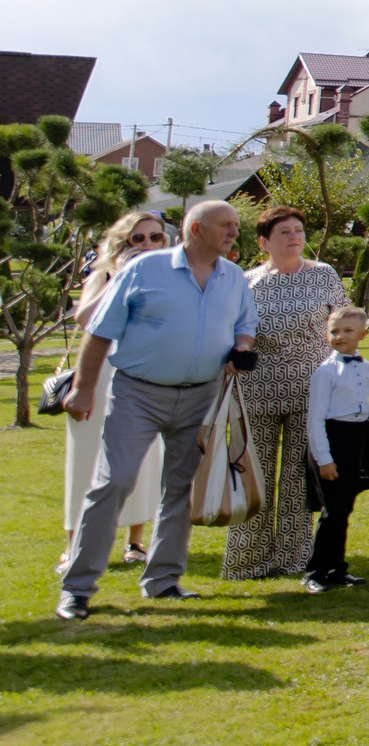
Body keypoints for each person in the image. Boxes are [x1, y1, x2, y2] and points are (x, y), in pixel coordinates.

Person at [57, 198, 258, 620]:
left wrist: (242, 347)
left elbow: (245, 325)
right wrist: (83, 389)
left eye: (235, 226)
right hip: (138, 393)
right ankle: (77, 589)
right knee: (114, 483)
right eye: (226, 225)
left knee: (181, 490)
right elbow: (98, 332)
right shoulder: (143, 270)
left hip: (202, 395)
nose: (234, 233)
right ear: (195, 230)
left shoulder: (235, 278)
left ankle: (163, 580)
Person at [225, 206, 349, 580]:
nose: (294, 237)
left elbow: (342, 323)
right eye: (284, 232)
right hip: (256, 390)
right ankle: (249, 561)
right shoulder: (246, 282)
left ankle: (294, 558)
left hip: (311, 390)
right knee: (253, 474)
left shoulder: (324, 275)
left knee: (299, 478)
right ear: (264, 242)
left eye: (298, 230)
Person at [59, 211, 169, 578]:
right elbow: (84, 317)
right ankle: (73, 543)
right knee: (87, 457)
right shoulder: (104, 274)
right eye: (138, 239)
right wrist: (119, 276)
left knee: (145, 458)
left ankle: (135, 540)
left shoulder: (169, 278)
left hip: (147, 375)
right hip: (100, 374)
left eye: (155, 238)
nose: (148, 245)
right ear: (122, 242)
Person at [303, 304, 369, 591]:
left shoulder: (367, 367)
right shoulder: (326, 372)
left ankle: (337, 568)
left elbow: (357, 407)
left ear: (363, 334)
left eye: (347, 331)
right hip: (331, 439)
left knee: (345, 509)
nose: (340, 336)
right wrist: (324, 459)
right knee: (332, 510)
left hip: (356, 440)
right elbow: (316, 417)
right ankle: (315, 572)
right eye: (334, 331)